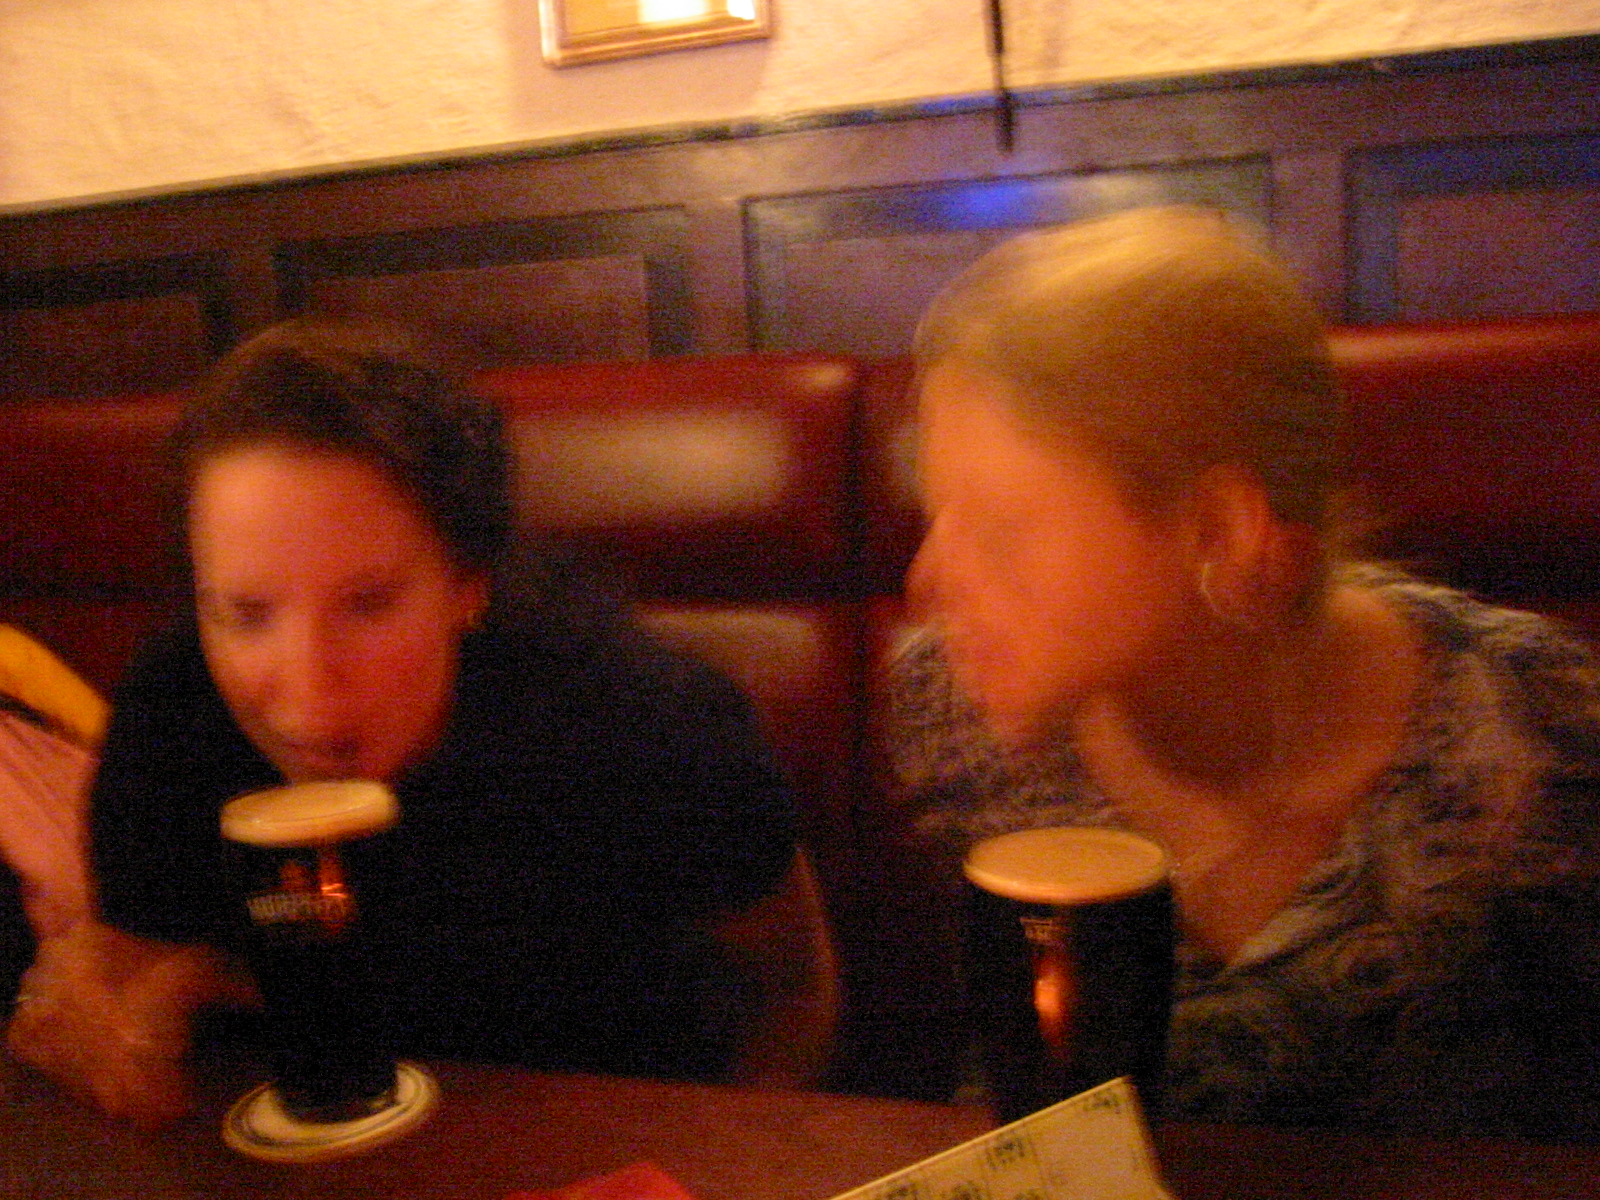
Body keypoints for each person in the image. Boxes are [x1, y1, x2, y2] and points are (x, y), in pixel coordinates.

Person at [7, 316, 832, 1125]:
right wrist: (112, 1017)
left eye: (369, 603)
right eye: (246, 614)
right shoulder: (167, 726)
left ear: (468, 581)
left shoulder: (636, 719)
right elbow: (137, 993)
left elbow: (793, 988)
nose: (307, 697)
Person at [886, 205, 1600, 1138]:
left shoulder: (1541, 737)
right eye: (937, 514)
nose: (927, 581)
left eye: (1001, 529)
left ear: (1221, 532)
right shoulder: (949, 711)